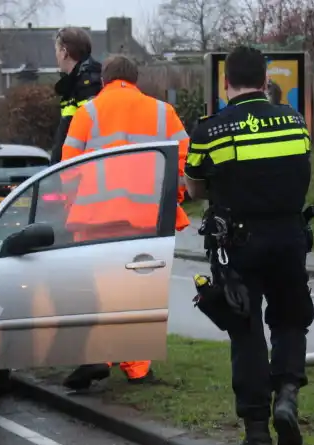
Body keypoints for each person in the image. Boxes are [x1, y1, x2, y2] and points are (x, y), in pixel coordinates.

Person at [184, 46, 314, 445]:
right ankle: (288, 396)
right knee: (291, 319)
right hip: (290, 238)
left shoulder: (211, 130)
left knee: (246, 332)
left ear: (226, 84)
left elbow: (195, 187)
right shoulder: (295, 122)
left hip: (238, 244)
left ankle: (258, 436)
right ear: (265, 80)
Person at [58, 54, 191, 391]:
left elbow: (67, 168)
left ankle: (98, 358)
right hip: (147, 219)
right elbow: (184, 160)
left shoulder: (87, 112)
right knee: (138, 291)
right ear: (136, 79)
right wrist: (170, 199)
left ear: (104, 80)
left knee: (99, 291)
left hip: (95, 220)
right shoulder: (163, 112)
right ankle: (137, 368)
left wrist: (71, 207)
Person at [50, 27, 102, 164]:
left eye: (56, 50)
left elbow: (90, 130)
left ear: (64, 52)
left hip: (85, 168)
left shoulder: (88, 83)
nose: (55, 56)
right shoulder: (75, 83)